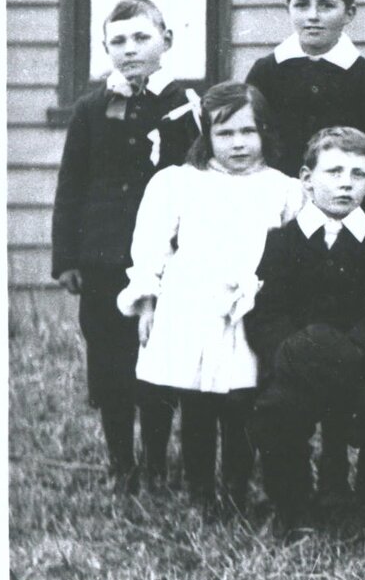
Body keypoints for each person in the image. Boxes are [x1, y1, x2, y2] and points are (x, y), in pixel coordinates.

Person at [116, 81, 302, 506]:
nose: (238, 143)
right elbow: (151, 245)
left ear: (264, 132)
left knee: (241, 402)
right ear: (207, 135)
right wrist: (147, 302)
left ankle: (236, 487)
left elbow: (296, 252)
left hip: (250, 310)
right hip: (190, 305)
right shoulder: (179, 183)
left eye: (248, 131)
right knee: (196, 400)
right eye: (225, 133)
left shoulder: (284, 189)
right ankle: (200, 490)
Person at [52, 0, 203, 493]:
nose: (130, 49)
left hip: (163, 258)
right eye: (118, 41)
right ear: (105, 49)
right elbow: (71, 184)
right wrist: (67, 257)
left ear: (167, 41)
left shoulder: (184, 105)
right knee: (109, 361)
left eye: (141, 37)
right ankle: (121, 462)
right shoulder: (92, 108)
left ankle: (156, 462)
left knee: (154, 361)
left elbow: (196, 176)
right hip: (103, 256)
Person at [247, 126, 365, 536]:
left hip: (363, 362)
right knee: (277, 408)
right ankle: (292, 504)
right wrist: (293, 352)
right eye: (334, 171)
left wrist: (353, 354)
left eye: (358, 175)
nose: (345, 183)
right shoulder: (282, 242)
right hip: (299, 362)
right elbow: (267, 313)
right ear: (307, 178)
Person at [244, 0, 365, 219]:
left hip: (345, 213)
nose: (313, 16)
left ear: (349, 13)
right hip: (277, 213)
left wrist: (362, 217)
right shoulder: (266, 72)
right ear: (288, 9)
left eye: (326, 6)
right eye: (301, 5)